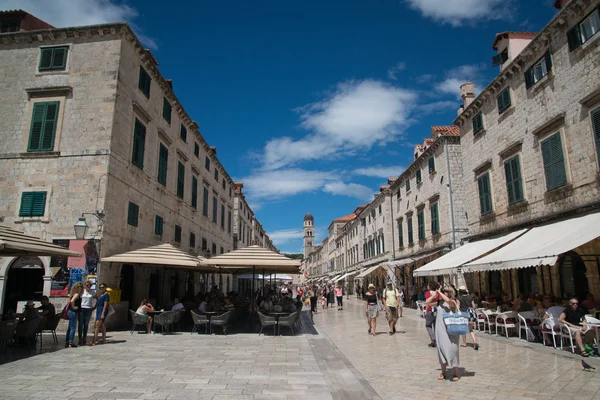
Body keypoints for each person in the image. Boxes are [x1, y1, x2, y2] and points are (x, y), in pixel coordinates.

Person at [426, 286, 461, 381]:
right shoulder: (439, 303)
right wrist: (435, 295)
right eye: (443, 291)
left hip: (452, 330)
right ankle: (443, 372)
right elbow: (427, 302)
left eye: (444, 291)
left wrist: (439, 293)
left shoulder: (455, 301)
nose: (442, 292)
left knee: (453, 350)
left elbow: (449, 302)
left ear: (449, 293)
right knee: (441, 350)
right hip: (441, 330)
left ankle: (455, 372)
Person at [457, 286, 479, 351]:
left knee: (463, 330)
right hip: (470, 315)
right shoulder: (470, 297)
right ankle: (475, 342)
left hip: (463, 315)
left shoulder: (459, 298)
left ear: (460, 291)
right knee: (471, 330)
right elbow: (474, 306)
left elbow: (458, 307)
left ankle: (464, 343)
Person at [66, 282, 83, 348]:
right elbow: (72, 301)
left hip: (71, 312)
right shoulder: (76, 294)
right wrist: (74, 307)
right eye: (79, 286)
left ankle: (68, 340)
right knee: (73, 328)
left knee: (70, 327)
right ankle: (71, 341)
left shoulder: (75, 294)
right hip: (73, 312)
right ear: (76, 287)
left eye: (81, 286)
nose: (80, 288)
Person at [78, 280, 96, 345]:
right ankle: (80, 338)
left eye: (90, 285)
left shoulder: (93, 292)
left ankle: (84, 337)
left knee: (86, 324)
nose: (88, 286)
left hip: (88, 309)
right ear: (85, 285)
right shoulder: (82, 291)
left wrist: (94, 307)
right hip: (82, 308)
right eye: (87, 285)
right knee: (80, 324)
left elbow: (98, 299)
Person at [424, 282, 439, 347]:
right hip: (437, 311)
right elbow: (438, 302)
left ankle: (433, 339)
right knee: (436, 326)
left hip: (430, 310)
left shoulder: (428, 293)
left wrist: (426, 311)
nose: (427, 286)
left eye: (428, 285)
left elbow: (427, 303)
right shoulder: (438, 293)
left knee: (428, 325)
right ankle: (437, 340)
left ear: (430, 286)